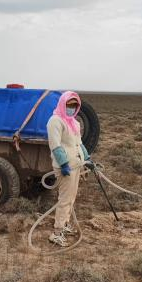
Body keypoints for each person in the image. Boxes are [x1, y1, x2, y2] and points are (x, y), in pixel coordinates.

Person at [47, 91, 92, 247]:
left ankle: (64, 224)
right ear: (63, 104)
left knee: (71, 198)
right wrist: (64, 164)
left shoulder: (73, 122)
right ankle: (57, 232)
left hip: (76, 165)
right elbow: (55, 145)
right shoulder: (55, 121)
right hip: (65, 167)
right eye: (69, 105)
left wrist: (87, 159)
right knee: (65, 199)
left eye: (74, 105)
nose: (72, 108)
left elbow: (79, 144)